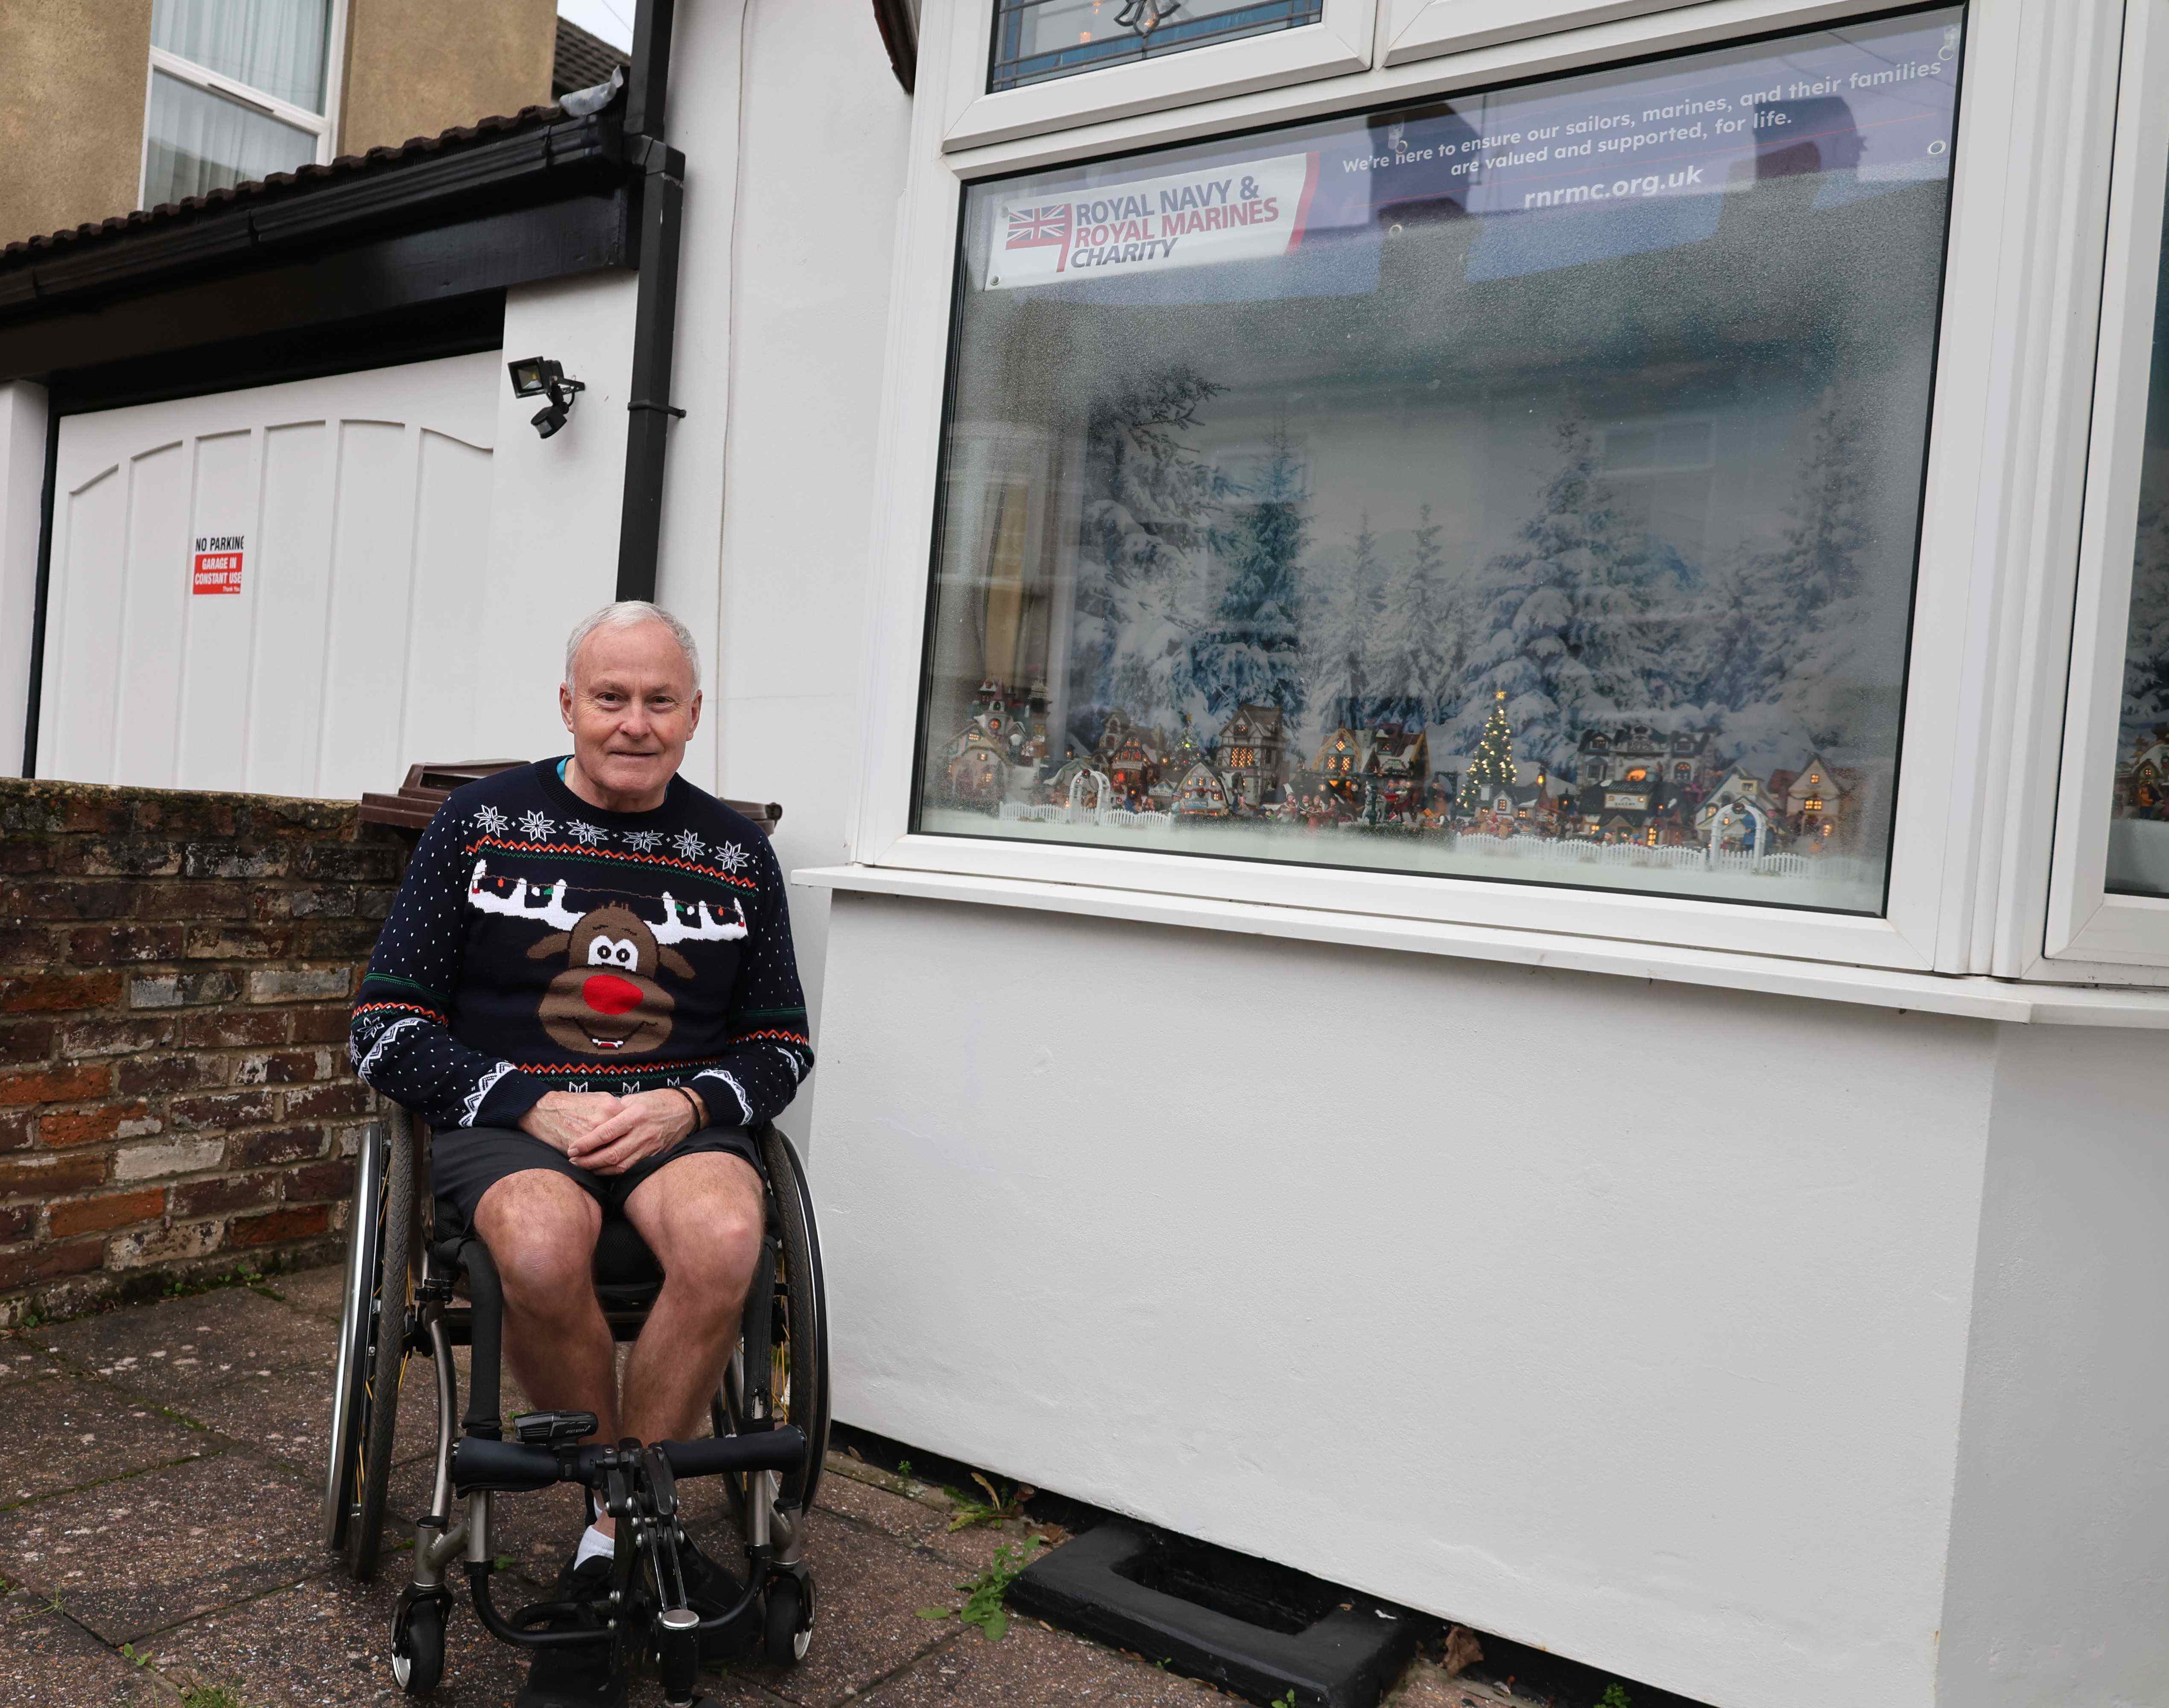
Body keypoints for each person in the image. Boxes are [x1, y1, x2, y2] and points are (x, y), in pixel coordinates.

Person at [349, 600, 814, 1708]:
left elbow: (781, 1046)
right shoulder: (477, 824)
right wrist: (523, 1099)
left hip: (674, 1122)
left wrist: (687, 1106)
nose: (635, 723)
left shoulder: (738, 854)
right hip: (511, 1120)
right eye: (611, 698)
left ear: (695, 715)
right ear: (569, 705)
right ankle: (614, 1530)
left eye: (660, 701)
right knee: (545, 1243)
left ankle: (626, 1529)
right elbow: (385, 1026)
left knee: (724, 1236)